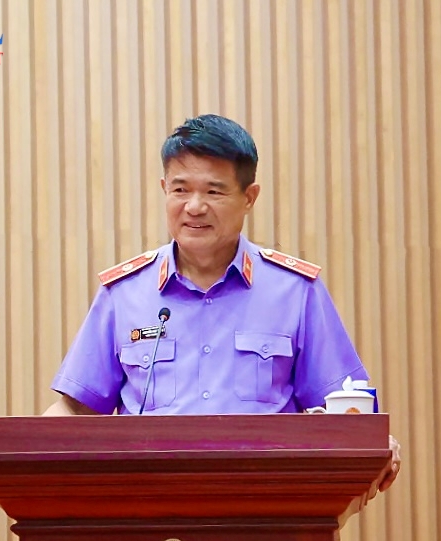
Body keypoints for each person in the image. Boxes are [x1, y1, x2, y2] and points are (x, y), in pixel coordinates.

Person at [44, 113, 401, 491]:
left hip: (269, 503)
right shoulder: (124, 294)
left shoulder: (295, 291)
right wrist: (21, 454)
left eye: (213, 192)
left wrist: (373, 441)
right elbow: (74, 408)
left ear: (249, 197)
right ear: (164, 189)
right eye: (180, 190)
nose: (194, 207)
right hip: (148, 502)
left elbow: (344, 406)